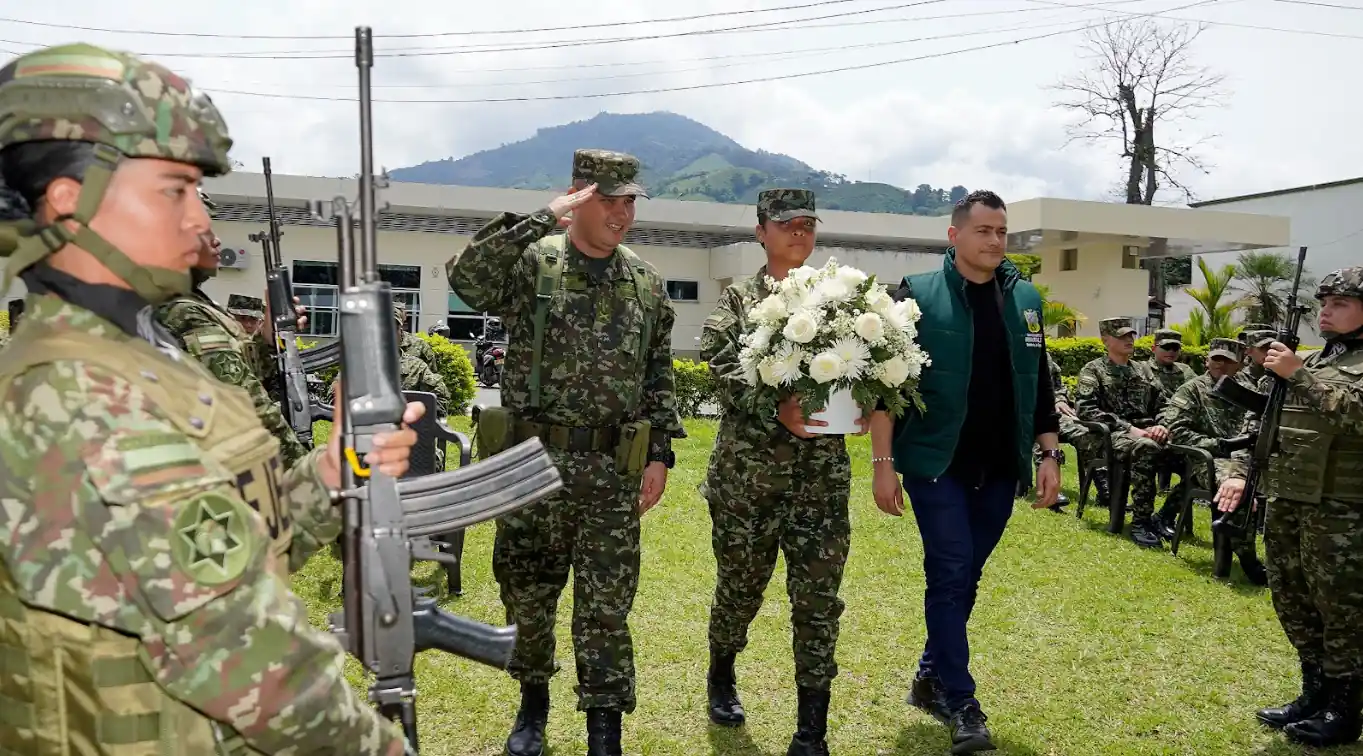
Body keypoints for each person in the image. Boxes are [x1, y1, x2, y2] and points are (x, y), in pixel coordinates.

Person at [0, 42, 426, 755]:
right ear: (70, 203)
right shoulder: (78, 395)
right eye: (174, 190)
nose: (202, 219)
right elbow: (246, 656)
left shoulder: (140, 359)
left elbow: (224, 549)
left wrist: (327, 475)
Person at [446, 148, 684, 756]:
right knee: (527, 593)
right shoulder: (534, 264)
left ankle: (605, 729)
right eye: (609, 199)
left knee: (606, 606)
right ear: (578, 197)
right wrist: (539, 219)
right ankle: (532, 710)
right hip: (532, 465)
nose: (622, 213)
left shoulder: (645, 281)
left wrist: (659, 450)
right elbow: (467, 282)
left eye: (630, 200)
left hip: (611, 471)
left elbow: (659, 370)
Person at [869, 189, 1060, 754]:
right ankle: (962, 701)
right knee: (951, 572)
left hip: (1001, 464)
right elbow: (883, 387)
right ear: (954, 236)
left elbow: (1041, 383)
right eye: (984, 231)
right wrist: (884, 466)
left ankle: (930, 676)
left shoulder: (1025, 299)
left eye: (1002, 231)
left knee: (965, 577)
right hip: (936, 463)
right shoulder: (915, 296)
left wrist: (1049, 455)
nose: (996, 241)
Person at [700, 188, 863, 755]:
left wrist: (864, 399)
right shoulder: (740, 300)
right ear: (760, 230)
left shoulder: (839, 299)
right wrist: (776, 409)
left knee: (818, 602)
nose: (799, 232)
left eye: (808, 224)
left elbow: (868, 356)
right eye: (786, 223)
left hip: (820, 482)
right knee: (741, 591)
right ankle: (721, 674)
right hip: (748, 482)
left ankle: (811, 730)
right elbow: (718, 362)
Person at [1214, 266, 1363, 748]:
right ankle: (1314, 694)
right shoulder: (1316, 360)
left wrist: (1296, 373)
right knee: (1293, 599)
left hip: (1343, 510)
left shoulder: (1313, 367)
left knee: (1342, 609)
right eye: (1324, 301)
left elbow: (1354, 414)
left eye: (1339, 302)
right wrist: (1238, 472)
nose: (1326, 310)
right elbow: (1266, 424)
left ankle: (1345, 709)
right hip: (1289, 499)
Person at [155, 190, 310, 467]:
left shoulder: (195, 301)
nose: (216, 240)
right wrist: (304, 467)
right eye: (203, 232)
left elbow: (237, 366)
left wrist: (267, 338)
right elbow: (246, 402)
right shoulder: (181, 312)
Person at [1155, 337, 1267, 584]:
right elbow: (1177, 430)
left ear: (1240, 363)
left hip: (1250, 457)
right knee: (1237, 489)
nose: (1220, 365)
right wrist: (1219, 445)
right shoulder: (1192, 389)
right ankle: (1249, 561)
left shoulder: (1250, 389)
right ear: (1207, 360)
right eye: (1216, 359)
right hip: (1210, 459)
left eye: (1227, 360)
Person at [1075, 317, 1170, 548]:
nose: (1129, 340)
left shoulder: (1144, 370)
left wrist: (1162, 424)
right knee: (1146, 449)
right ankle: (1141, 522)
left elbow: (1165, 404)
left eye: (1131, 335)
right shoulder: (1094, 370)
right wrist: (1131, 429)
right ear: (1106, 340)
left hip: (1147, 432)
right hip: (1110, 436)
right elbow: (1086, 410)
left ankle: (1166, 516)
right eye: (1122, 336)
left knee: (1192, 453)